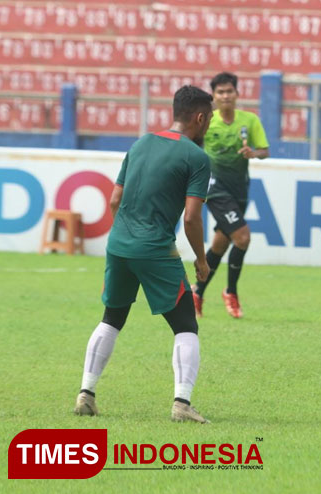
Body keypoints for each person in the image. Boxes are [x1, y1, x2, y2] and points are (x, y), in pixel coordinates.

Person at [74, 85, 214, 424]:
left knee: (112, 318)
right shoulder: (196, 158)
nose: (208, 123)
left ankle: (86, 395)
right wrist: (201, 258)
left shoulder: (141, 143)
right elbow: (192, 217)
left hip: (119, 243)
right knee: (185, 325)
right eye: (208, 118)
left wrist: (128, 234)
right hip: (154, 249)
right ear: (199, 117)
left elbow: (113, 200)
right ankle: (182, 403)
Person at [191, 72, 269, 320]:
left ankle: (197, 291)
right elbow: (190, 146)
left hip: (239, 187)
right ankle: (231, 292)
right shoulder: (206, 121)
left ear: (237, 94)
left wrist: (252, 153)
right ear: (213, 96)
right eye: (220, 92)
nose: (225, 96)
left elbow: (265, 151)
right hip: (214, 186)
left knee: (220, 244)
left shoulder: (249, 120)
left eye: (229, 91)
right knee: (243, 237)